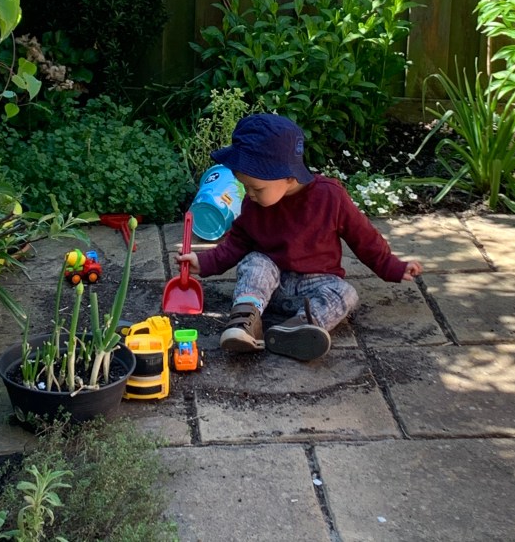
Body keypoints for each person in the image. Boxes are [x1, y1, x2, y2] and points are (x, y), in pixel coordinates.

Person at [176, 112, 423, 362]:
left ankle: (300, 328)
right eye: (245, 186)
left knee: (346, 293)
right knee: (256, 262)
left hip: (315, 286)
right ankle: (245, 321)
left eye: (256, 188)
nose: (249, 194)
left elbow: (364, 237)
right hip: (270, 289)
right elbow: (237, 242)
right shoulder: (254, 205)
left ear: (289, 176)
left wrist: (391, 265)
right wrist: (204, 262)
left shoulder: (330, 198)